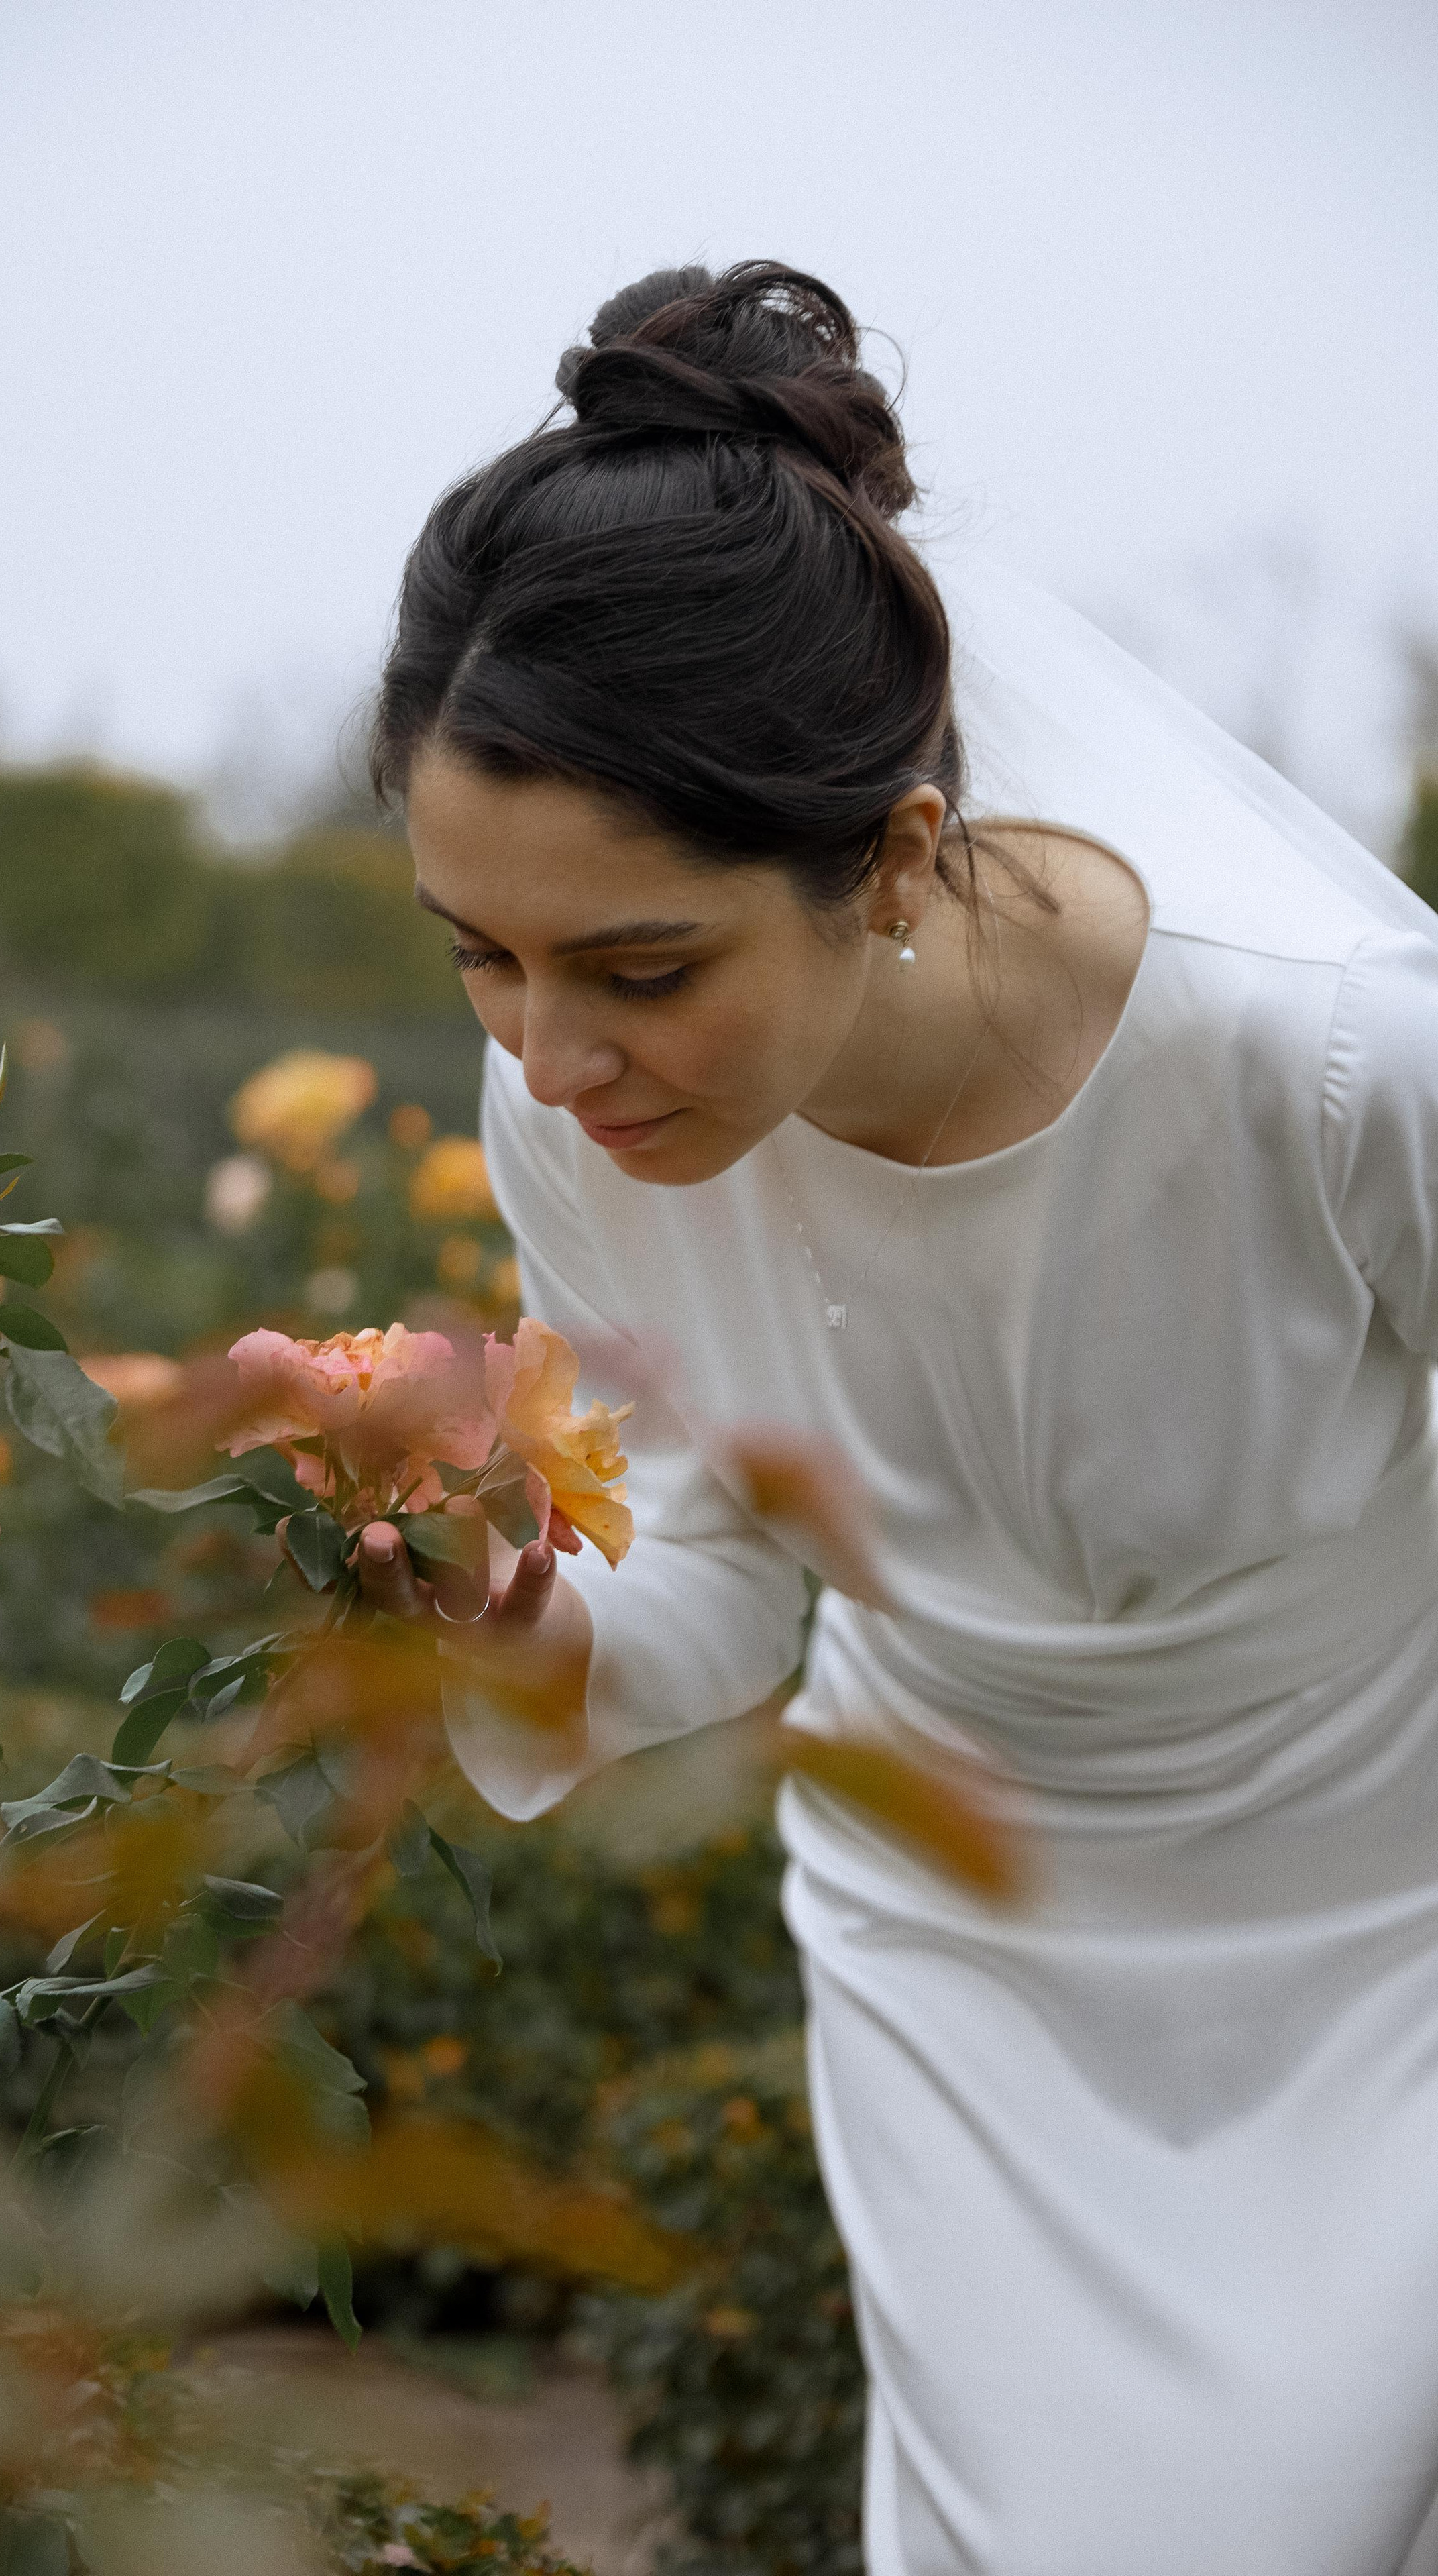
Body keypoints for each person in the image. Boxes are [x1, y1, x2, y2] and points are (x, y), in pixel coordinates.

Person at [354, 260, 1438, 2574]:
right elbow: (730, 1569)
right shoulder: (573, 1114)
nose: (546, 1060)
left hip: (1399, 1927)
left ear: (901, 855)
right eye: (481, 953)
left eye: (642, 968)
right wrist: (500, 1609)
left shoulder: (1337, 1065)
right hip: (970, 1954)